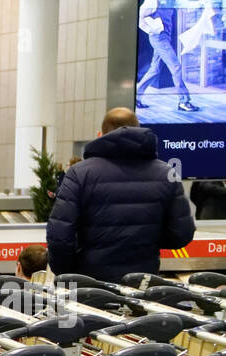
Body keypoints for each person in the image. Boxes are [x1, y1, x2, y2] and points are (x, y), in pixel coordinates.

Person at [47, 107, 195, 282]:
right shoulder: (167, 174)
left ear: (100, 134)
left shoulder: (79, 173)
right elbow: (182, 234)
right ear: (139, 130)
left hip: (90, 286)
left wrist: (68, 272)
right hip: (142, 283)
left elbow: (60, 236)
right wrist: (147, 241)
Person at [135, 1, 200, 112]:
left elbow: (184, 5)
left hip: (165, 38)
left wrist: (201, 4)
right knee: (176, 67)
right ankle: (184, 101)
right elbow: (139, 16)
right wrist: (151, 30)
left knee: (154, 69)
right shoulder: (153, 1)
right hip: (159, 38)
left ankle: (137, 97)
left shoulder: (171, 1)